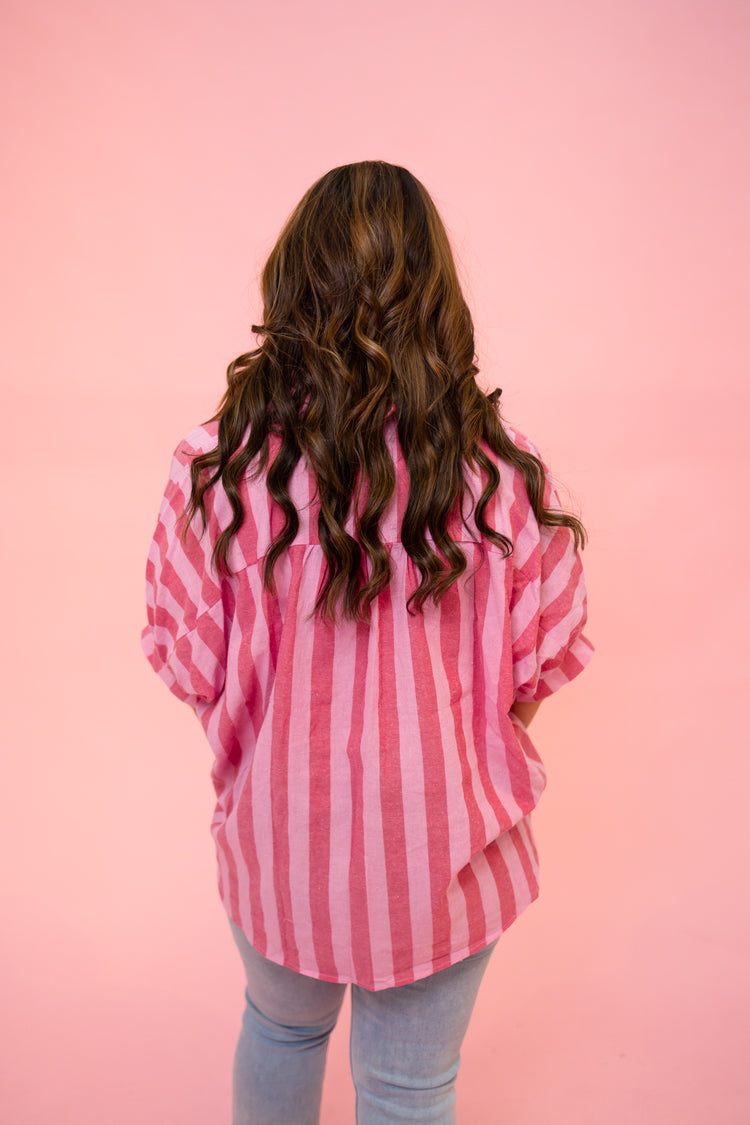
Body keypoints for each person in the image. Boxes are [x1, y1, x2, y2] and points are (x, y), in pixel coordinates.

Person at [141, 160, 594, 1125]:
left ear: (293, 283)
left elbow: (189, 661)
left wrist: (269, 746)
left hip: (277, 840)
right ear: (438, 294)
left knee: (280, 1029)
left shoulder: (217, 471)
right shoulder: (501, 475)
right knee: (408, 1089)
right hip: (447, 854)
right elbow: (541, 661)